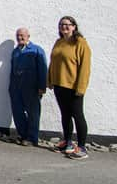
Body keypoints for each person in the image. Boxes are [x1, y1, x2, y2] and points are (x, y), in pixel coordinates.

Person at [48, 16, 92, 160]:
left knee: (78, 115)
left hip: (73, 86)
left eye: (67, 25)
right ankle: (67, 142)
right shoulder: (59, 42)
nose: (64, 27)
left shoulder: (80, 43)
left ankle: (82, 147)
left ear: (74, 26)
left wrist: (81, 87)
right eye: (61, 25)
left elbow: (85, 68)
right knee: (65, 115)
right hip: (59, 85)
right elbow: (53, 63)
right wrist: (50, 80)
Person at [10, 27, 48, 146]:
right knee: (18, 112)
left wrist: (42, 86)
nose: (20, 38)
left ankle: (32, 138)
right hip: (16, 87)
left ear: (28, 36)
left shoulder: (36, 50)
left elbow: (43, 68)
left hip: (31, 86)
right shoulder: (15, 51)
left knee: (33, 113)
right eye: (18, 35)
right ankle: (23, 135)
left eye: (22, 35)